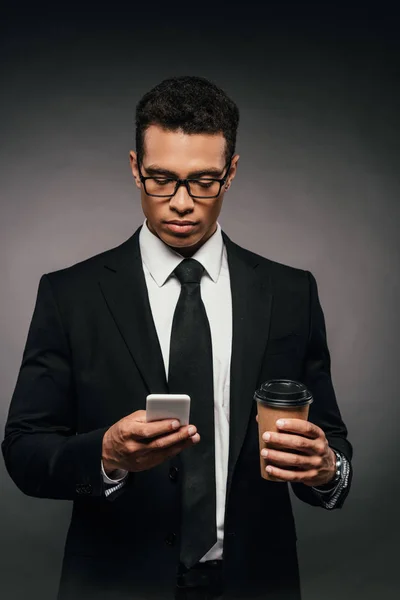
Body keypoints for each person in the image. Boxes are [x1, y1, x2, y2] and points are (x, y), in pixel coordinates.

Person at [2, 76, 353, 600]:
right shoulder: (68, 294)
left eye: (204, 181)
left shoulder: (291, 293)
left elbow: (332, 445)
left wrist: (328, 470)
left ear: (231, 172)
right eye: (160, 179)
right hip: (114, 583)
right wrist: (107, 454)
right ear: (134, 168)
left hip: (257, 583)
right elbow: (24, 450)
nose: (181, 203)